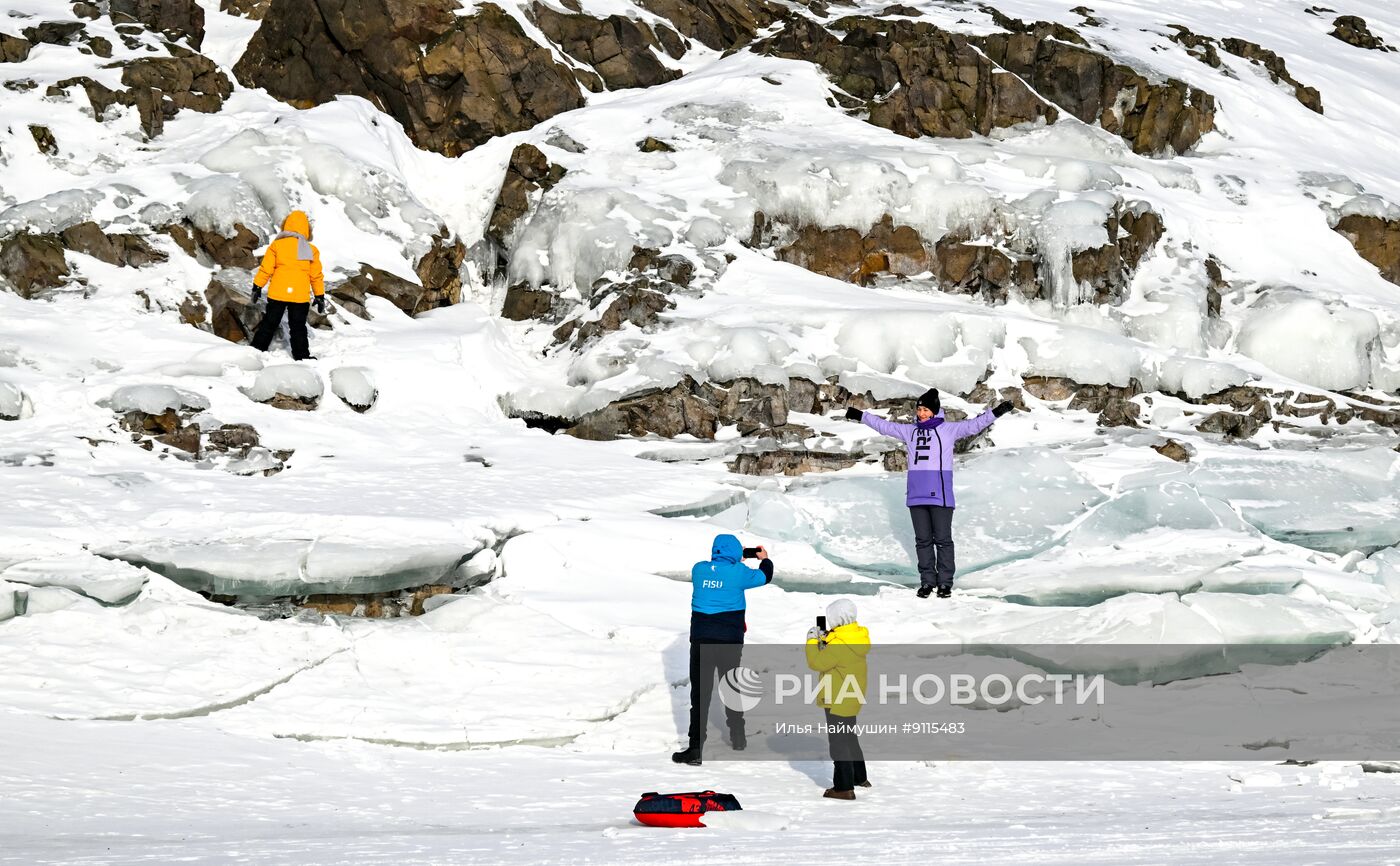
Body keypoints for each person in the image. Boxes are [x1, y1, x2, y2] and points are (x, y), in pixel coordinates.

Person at [846, 388, 1015, 598]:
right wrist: (861, 415)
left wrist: (997, 411)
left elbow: (974, 425)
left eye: (926, 410)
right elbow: (885, 426)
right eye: (919, 410)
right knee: (923, 541)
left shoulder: (948, 430)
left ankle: (944, 583)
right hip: (916, 495)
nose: (922, 413)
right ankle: (927, 581)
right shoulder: (910, 431)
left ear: (934, 411)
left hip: (940, 496)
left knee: (943, 540)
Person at [672, 534, 774, 767]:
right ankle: (738, 737)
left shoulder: (699, 570)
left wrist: (735, 560)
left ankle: (695, 749)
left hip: (701, 641)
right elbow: (765, 576)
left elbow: (720, 572)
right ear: (736, 553)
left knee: (700, 695)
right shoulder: (740, 573)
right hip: (729, 642)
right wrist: (764, 559)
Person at [806, 598, 870, 800]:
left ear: (837, 618)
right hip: (852, 696)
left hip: (837, 699)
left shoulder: (839, 645)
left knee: (838, 742)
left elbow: (817, 663)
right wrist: (828, 638)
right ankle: (860, 777)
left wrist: (811, 641)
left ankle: (843, 788)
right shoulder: (855, 637)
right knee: (849, 737)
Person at [250, 210, 326, 361]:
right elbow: (316, 275)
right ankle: (302, 356)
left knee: (269, 323)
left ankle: (256, 350)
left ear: (286, 226)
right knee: (298, 326)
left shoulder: (277, 245)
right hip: (300, 296)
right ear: (306, 228)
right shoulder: (311, 250)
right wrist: (319, 295)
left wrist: (257, 286)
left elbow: (266, 269)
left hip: (278, 293)